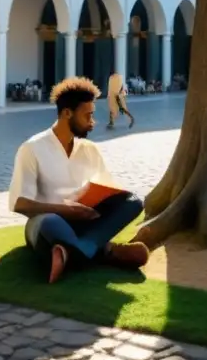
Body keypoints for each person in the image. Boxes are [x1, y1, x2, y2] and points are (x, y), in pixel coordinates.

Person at [8, 76, 149, 284]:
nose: (93, 122)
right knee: (51, 223)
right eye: (88, 116)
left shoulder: (90, 149)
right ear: (67, 113)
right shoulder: (32, 149)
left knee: (133, 202)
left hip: (85, 222)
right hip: (47, 222)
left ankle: (70, 253)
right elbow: (19, 203)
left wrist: (95, 204)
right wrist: (67, 210)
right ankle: (105, 251)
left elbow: (108, 190)